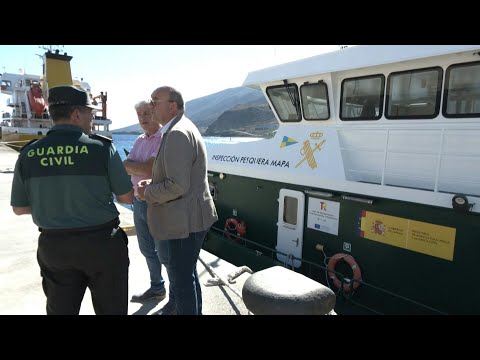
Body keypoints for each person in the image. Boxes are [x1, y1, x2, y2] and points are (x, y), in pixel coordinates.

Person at [10, 85, 134, 315]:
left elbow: (19, 208)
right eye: (90, 112)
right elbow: (126, 196)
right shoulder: (102, 148)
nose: (93, 118)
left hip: (55, 248)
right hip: (102, 245)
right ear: (77, 114)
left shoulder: (29, 153)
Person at [137, 86, 218, 315]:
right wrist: (152, 184)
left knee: (181, 282)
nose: (151, 106)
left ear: (172, 105)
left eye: (155, 101)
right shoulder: (181, 128)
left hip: (183, 222)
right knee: (187, 276)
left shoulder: (177, 134)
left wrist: (148, 192)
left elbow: (177, 185)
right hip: (188, 219)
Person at [123, 101, 166, 302]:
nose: (143, 118)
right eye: (139, 114)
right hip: (139, 202)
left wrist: (134, 166)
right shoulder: (140, 140)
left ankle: (176, 292)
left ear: (155, 112)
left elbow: (149, 170)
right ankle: (157, 287)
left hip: (156, 203)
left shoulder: (164, 138)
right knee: (147, 248)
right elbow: (125, 165)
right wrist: (135, 166)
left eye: (147, 113)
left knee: (165, 250)